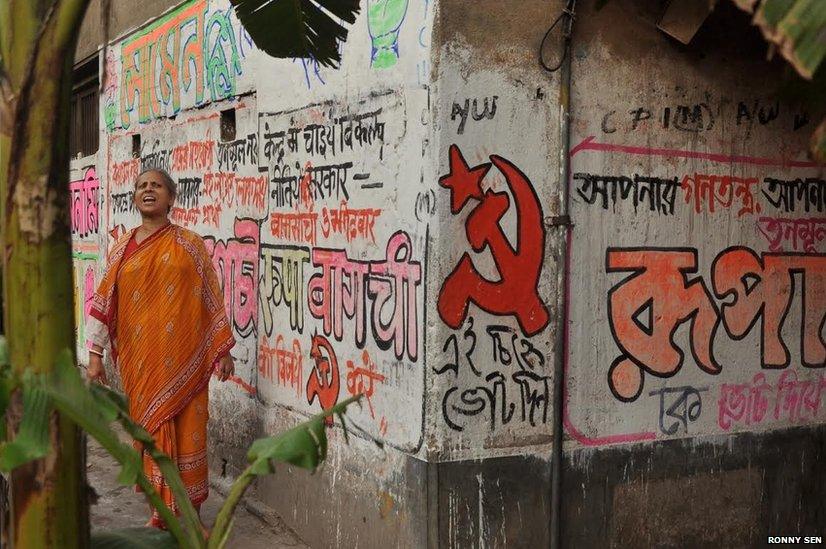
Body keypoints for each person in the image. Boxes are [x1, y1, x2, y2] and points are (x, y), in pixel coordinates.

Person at [86, 167, 235, 531]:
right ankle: (160, 515)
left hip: (187, 362)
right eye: (141, 186)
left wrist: (223, 349)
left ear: (171, 198)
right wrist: (94, 355)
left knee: (189, 437)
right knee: (152, 435)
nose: (148, 190)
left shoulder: (190, 244)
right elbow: (104, 301)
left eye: (156, 186)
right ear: (134, 198)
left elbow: (211, 298)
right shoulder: (122, 250)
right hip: (143, 365)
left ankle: (194, 517)